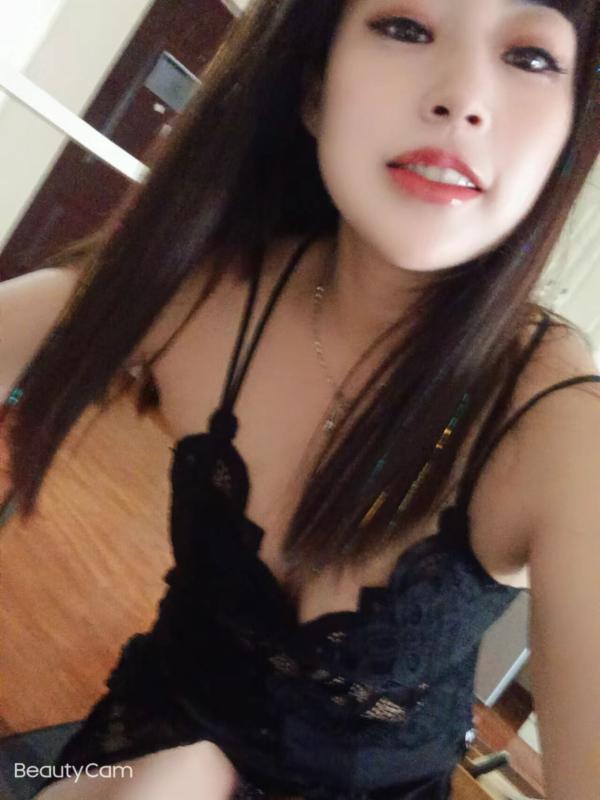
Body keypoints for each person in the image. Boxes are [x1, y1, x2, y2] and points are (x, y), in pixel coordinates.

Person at [1, 0, 599, 797]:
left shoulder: (561, 430)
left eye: (530, 57)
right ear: (314, 90)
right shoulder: (207, 297)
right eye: (405, 27)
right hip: (155, 739)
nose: (463, 98)